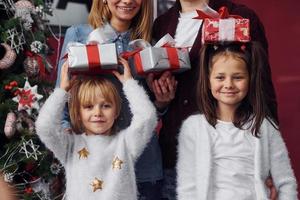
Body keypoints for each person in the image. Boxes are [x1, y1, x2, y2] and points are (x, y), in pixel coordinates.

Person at [149, 0, 278, 199]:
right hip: (174, 162)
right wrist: (161, 99)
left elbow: (262, 93)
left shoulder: (240, 17)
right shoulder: (161, 23)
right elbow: (157, 97)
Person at [55, 0, 164, 199]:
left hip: (144, 166)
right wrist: (69, 142)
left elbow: (150, 112)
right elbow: (62, 100)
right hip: (96, 167)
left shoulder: (149, 44)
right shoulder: (80, 36)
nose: (128, 1)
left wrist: (162, 102)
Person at [176, 42, 298, 199]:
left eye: (238, 77)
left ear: (250, 79)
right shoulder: (193, 128)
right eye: (220, 77)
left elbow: (285, 183)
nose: (228, 84)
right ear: (208, 80)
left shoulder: (264, 126)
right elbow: (187, 186)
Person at [36, 58, 157, 199]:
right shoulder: (69, 146)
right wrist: (62, 90)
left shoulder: (126, 143)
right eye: (88, 107)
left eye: (106, 106)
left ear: (116, 111)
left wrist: (129, 84)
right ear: (79, 113)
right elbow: (44, 126)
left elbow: (147, 117)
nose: (97, 113)